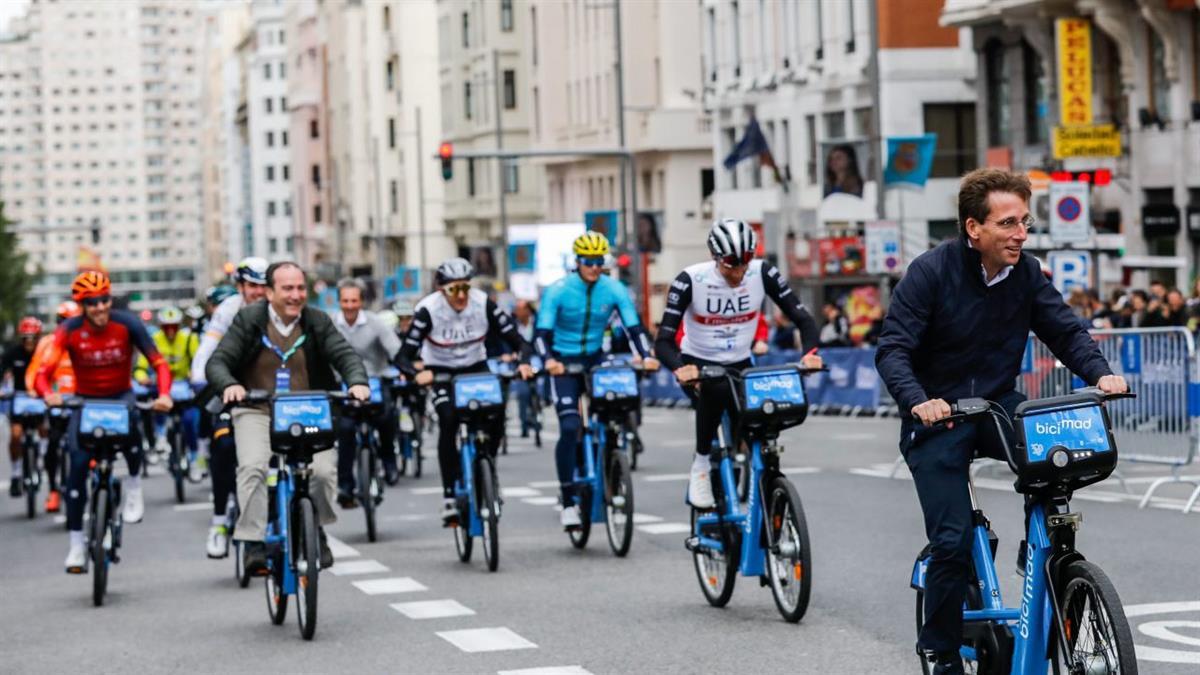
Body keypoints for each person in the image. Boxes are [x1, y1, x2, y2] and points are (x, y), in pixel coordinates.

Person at [874, 168, 1127, 674]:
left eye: (1024, 222)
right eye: (1008, 223)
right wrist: (918, 399)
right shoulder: (930, 273)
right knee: (950, 539)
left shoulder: (1027, 273)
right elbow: (893, 350)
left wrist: (1102, 375)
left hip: (995, 405)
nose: (1020, 234)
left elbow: (1066, 331)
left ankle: (1047, 561)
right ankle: (941, 650)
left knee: (1056, 465)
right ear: (974, 228)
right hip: (937, 417)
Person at [206, 261, 370, 573]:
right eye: (287, 289)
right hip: (257, 409)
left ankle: (316, 528)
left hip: (308, 409)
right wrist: (230, 385)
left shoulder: (316, 320)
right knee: (253, 467)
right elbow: (218, 362)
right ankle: (253, 541)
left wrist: (357, 382)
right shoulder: (248, 319)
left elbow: (344, 354)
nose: (296, 295)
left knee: (322, 473)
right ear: (269, 293)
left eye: (300, 288)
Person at [656, 219, 820, 509]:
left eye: (746, 261)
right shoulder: (690, 280)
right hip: (699, 363)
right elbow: (663, 342)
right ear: (715, 258)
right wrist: (680, 368)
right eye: (732, 264)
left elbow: (803, 319)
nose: (740, 271)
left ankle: (765, 479)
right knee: (716, 388)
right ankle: (702, 464)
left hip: (740, 362)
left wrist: (810, 353)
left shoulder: (763, 272)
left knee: (765, 413)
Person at [36, 271, 174, 572]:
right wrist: (49, 395)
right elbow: (42, 374)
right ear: (81, 305)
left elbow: (160, 364)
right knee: (76, 466)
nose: (100, 307)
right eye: (91, 302)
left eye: (104, 300)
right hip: (85, 402)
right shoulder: (69, 330)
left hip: (120, 396)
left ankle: (134, 487)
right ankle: (75, 546)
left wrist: (164, 394)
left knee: (133, 429)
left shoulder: (128, 324)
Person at [536, 232, 660, 529]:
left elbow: (634, 327)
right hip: (563, 362)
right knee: (569, 426)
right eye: (588, 262)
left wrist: (646, 355)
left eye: (599, 261)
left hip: (595, 358)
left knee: (616, 409)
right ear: (577, 261)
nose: (594, 267)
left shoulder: (614, 289)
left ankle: (613, 458)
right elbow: (540, 335)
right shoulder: (559, 290)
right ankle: (567, 500)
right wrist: (549, 361)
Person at [395, 258, 533, 525]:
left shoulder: (483, 304)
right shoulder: (428, 310)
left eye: (465, 289)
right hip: (441, 370)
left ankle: (487, 466)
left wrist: (524, 363)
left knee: (496, 414)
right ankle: (449, 496)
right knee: (448, 420)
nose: (460, 296)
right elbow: (403, 357)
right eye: (453, 290)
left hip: (474, 367)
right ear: (440, 290)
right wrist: (416, 373)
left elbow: (519, 341)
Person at [190, 257, 269, 558]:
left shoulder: (279, 308)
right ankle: (220, 522)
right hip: (231, 388)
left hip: (271, 390)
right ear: (240, 287)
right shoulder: (228, 309)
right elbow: (207, 349)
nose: (258, 293)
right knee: (223, 446)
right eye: (251, 286)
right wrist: (200, 377)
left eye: (263, 286)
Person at [331, 277, 403, 503]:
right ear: (339, 302)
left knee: (387, 418)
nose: (350, 306)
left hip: (375, 382)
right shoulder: (330, 324)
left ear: (361, 301)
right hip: (342, 387)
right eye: (345, 301)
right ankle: (345, 484)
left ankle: (389, 462)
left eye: (354, 300)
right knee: (344, 430)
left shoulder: (376, 323)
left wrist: (407, 368)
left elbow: (395, 349)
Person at [25, 301, 81, 512]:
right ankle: (54, 491)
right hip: (56, 403)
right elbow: (35, 370)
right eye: (63, 322)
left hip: (81, 402)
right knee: (52, 448)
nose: (68, 327)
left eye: (72, 322)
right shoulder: (48, 343)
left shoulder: (85, 340)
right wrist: (35, 390)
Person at [135, 307, 202, 479]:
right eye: (167, 327)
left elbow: (200, 363)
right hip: (162, 388)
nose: (171, 330)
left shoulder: (189, 338)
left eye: (174, 326)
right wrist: (143, 378)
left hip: (186, 388)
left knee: (190, 421)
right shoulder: (154, 340)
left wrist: (195, 376)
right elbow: (141, 367)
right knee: (157, 406)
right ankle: (161, 437)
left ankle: (194, 460)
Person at [3, 317, 43, 497]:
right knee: (16, 434)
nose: (30, 341)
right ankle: (16, 473)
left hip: (40, 399)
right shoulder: (12, 354)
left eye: (33, 337)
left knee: (45, 429)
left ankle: (41, 461)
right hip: (18, 399)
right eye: (26, 337)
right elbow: (2, 372)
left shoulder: (44, 353)